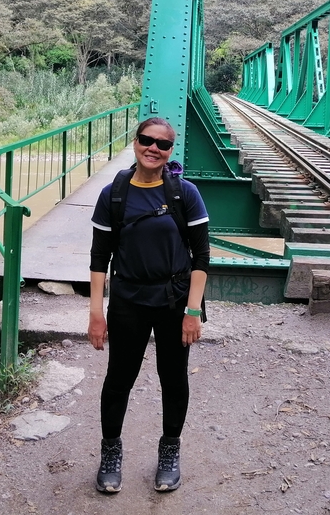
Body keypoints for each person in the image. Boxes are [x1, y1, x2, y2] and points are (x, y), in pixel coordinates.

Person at [87, 117, 210, 494]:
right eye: (147, 140)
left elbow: (202, 257)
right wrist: (96, 313)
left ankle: (169, 451)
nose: (154, 148)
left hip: (174, 300)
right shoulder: (113, 194)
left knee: (173, 379)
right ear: (136, 142)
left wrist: (193, 311)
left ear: (171, 151)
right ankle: (111, 452)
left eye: (163, 144)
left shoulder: (184, 193)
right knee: (119, 379)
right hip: (128, 300)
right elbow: (99, 258)